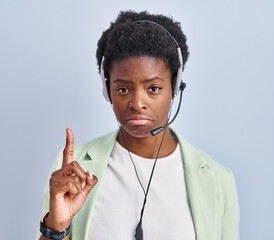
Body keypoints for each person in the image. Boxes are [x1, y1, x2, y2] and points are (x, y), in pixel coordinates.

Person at [37, 10, 239, 240]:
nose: (137, 103)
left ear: (175, 87)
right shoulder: (74, 169)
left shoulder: (219, 179)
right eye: (123, 89)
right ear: (107, 90)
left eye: (153, 88)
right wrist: (56, 226)